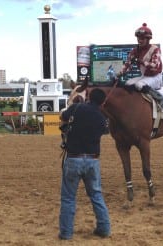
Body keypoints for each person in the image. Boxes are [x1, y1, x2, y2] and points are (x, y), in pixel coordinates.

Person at [59, 88, 111, 240]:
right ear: (102, 102)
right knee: (96, 195)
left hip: (73, 158)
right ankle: (104, 228)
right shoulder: (102, 118)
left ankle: (66, 233)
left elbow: (63, 116)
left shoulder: (77, 108)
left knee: (68, 198)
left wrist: (76, 102)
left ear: (89, 97)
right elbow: (104, 130)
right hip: (92, 160)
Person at [118, 23, 163, 108]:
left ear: (148, 39)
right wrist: (120, 73)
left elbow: (154, 66)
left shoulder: (155, 49)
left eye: (142, 38)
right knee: (127, 83)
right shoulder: (135, 51)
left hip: (156, 77)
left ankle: (161, 98)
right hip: (144, 77)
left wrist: (140, 61)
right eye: (138, 38)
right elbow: (127, 65)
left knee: (139, 84)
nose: (139, 40)